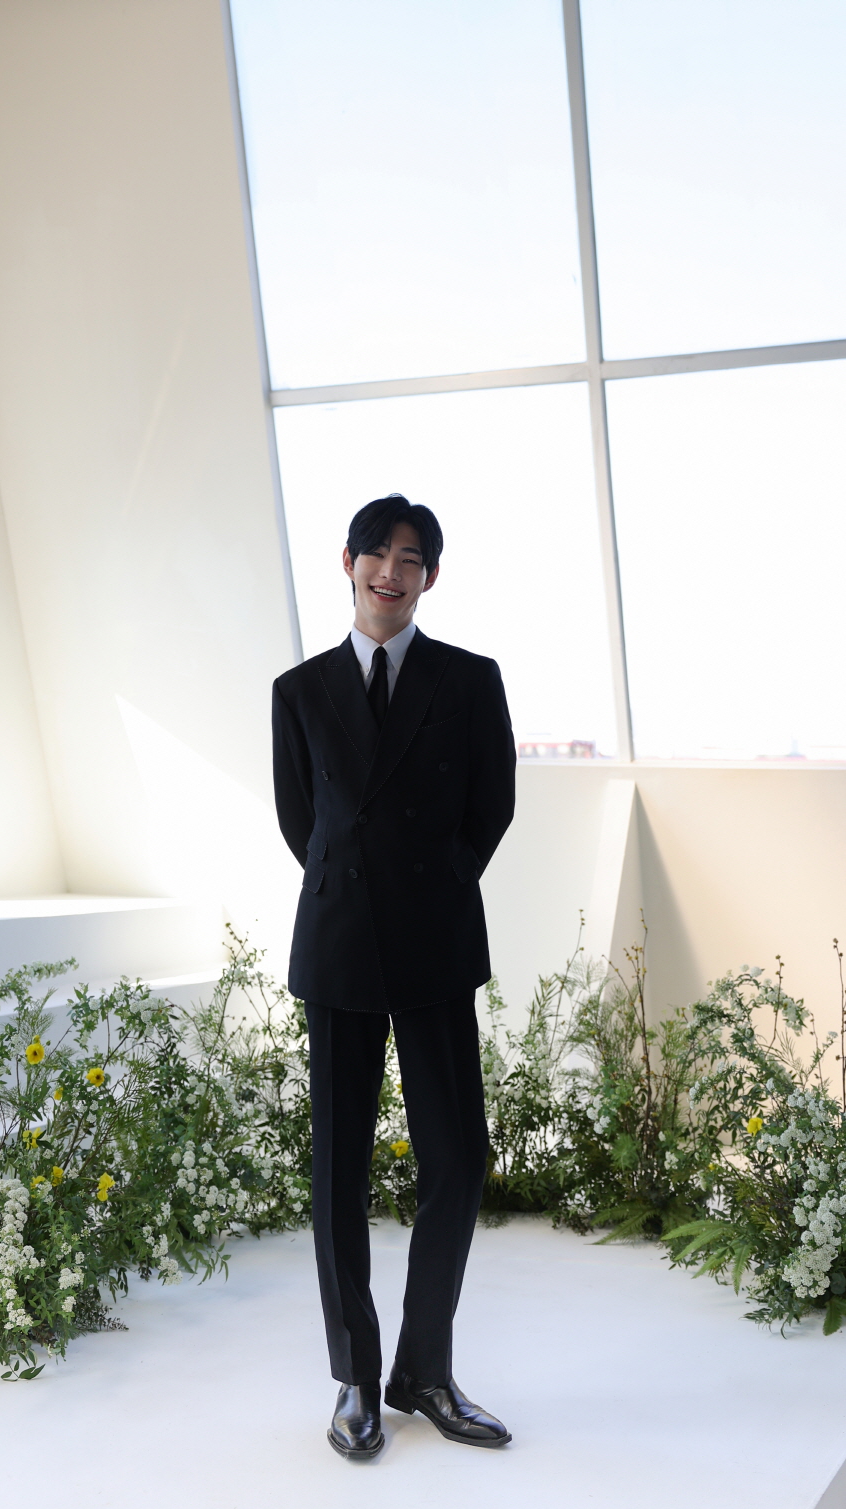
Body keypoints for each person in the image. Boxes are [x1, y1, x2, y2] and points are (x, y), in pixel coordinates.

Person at [271, 493, 517, 1460]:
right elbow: (303, 823)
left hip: (435, 943)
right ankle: (356, 1379)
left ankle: (425, 1372)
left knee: (457, 1160)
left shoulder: (469, 679)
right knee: (339, 1174)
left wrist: (438, 882)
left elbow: (491, 806)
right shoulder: (299, 690)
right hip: (339, 944)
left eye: (409, 558)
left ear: (430, 577)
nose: (390, 571)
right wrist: (355, 885)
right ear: (348, 564)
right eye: (376, 553)